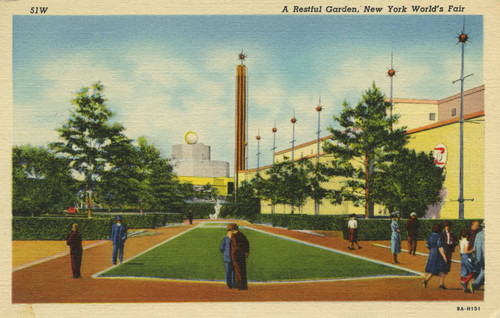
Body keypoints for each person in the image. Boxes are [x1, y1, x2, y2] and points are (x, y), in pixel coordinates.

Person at [422, 223, 448, 289]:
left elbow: (427, 245)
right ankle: (441, 284)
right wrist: (444, 256)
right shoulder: (440, 236)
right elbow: (440, 247)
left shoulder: (432, 235)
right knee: (443, 269)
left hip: (432, 253)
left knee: (434, 269)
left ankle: (426, 280)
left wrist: (432, 249)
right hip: (438, 254)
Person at [230, 223, 250, 290]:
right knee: (242, 271)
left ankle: (241, 286)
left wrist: (233, 253)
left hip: (236, 256)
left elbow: (235, 247)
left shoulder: (235, 236)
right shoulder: (241, 235)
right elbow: (247, 244)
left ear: (233, 229)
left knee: (238, 271)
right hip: (241, 256)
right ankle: (242, 285)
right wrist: (246, 252)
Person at [470, 222, 485, 294]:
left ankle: (475, 285)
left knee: (483, 271)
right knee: (483, 272)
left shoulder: (478, 235)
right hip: (484, 257)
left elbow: (474, 247)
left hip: (479, 257)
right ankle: (474, 285)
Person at [220, 224, 236, 289]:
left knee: (229, 271)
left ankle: (230, 284)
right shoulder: (234, 238)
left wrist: (225, 252)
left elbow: (221, 248)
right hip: (231, 257)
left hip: (228, 257)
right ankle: (232, 284)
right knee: (232, 271)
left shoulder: (226, 238)